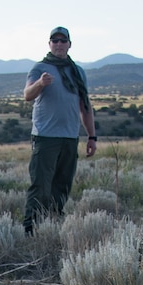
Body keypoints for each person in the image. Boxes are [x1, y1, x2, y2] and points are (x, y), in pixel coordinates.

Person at [21, 27, 97, 232]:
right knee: (41, 186)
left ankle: (53, 226)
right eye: (55, 41)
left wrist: (92, 136)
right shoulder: (39, 68)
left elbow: (85, 106)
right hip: (45, 137)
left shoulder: (77, 72)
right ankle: (31, 230)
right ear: (49, 44)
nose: (59, 44)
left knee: (62, 186)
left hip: (70, 137)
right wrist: (40, 83)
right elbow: (27, 95)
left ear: (69, 44)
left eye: (63, 41)